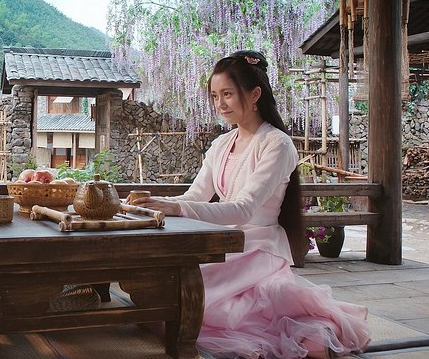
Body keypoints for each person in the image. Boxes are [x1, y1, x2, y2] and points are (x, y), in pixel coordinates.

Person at [133, 50, 370, 358]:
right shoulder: (221, 144)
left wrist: (175, 208)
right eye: (215, 96)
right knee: (166, 294)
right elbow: (194, 197)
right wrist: (154, 203)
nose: (220, 104)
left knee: (193, 304)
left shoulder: (277, 144)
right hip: (224, 243)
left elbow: (243, 208)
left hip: (257, 248)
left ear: (255, 94)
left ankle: (311, 335)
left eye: (228, 94)